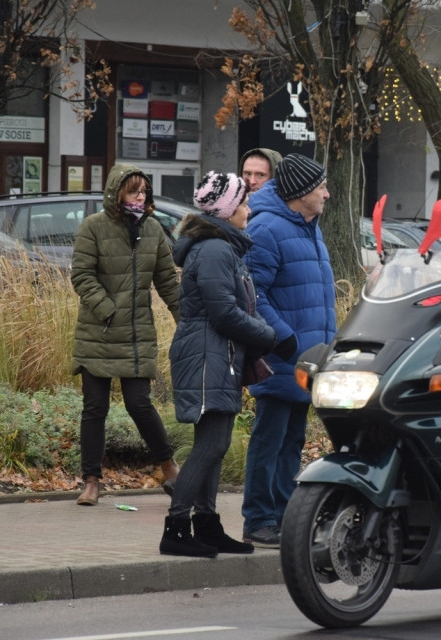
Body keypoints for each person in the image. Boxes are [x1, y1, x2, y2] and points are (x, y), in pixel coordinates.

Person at [160, 172, 277, 558]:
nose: (248, 209)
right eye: (243, 203)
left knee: (215, 444)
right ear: (226, 211)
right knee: (211, 445)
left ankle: (206, 525)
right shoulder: (214, 249)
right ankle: (176, 528)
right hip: (209, 354)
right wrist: (267, 335)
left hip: (217, 354)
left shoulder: (223, 246)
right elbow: (224, 312)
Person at [70, 164, 181, 506]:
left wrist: (187, 322)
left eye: (144, 191)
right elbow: (81, 275)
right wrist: (107, 309)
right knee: (95, 408)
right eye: (134, 191)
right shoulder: (94, 227)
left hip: (136, 335)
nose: (140, 197)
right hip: (98, 331)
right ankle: (91, 481)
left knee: (139, 404)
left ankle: (169, 467)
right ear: (117, 193)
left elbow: (167, 282)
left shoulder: (152, 231)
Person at [241, 153, 337, 548]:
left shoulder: (307, 225)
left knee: (292, 440)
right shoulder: (267, 228)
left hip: (308, 358)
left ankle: (283, 516)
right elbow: (252, 292)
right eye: (321, 188)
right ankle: (259, 519)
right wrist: (284, 338)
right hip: (282, 355)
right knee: (270, 439)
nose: (327, 194)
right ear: (300, 194)